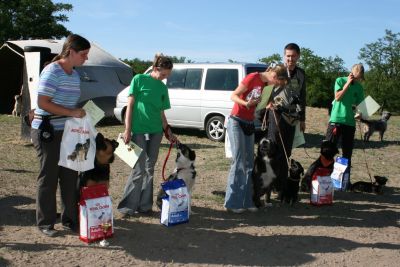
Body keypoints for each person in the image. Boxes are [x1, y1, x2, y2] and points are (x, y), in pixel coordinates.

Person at [31, 34, 90, 237]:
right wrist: (72, 112)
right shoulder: (52, 71)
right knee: (49, 176)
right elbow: (43, 103)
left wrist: (80, 112)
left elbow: (68, 104)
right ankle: (45, 223)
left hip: (68, 132)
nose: (86, 58)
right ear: (71, 51)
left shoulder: (74, 74)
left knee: (69, 176)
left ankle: (70, 219)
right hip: (47, 131)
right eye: (83, 54)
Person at [117, 53, 177, 217]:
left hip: (156, 131)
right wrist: (127, 130)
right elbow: (130, 105)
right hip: (138, 130)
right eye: (163, 74)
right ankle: (127, 207)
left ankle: (145, 206)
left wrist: (168, 131)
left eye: (167, 75)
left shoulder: (163, 87)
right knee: (139, 169)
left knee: (150, 169)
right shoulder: (138, 79)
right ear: (156, 69)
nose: (165, 78)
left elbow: (161, 113)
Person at [224, 64, 289, 213]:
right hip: (236, 121)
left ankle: (247, 201)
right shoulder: (253, 77)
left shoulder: (266, 86)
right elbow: (233, 95)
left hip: (249, 123)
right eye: (277, 82)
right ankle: (232, 203)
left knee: (249, 163)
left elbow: (259, 104)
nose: (276, 85)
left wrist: (268, 105)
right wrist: (246, 103)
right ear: (274, 76)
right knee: (238, 162)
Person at [266, 43, 306, 202]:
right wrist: (268, 102)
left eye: (293, 56)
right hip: (276, 116)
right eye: (287, 56)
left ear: (298, 56)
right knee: (273, 151)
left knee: (286, 153)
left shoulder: (301, 74)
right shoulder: (276, 71)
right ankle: (270, 186)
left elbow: (303, 96)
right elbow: (267, 88)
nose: (290, 59)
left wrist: (303, 118)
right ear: (284, 56)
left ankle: (281, 186)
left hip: (292, 118)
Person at [325, 63, 365, 189]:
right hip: (336, 120)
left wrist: (360, 114)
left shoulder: (359, 87)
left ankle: (344, 181)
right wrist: (348, 83)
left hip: (350, 123)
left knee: (347, 153)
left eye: (359, 78)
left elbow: (362, 106)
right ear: (351, 73)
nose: (357, 80)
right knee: (328, 150)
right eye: (355, 77)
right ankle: (324, 178)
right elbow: (337, 97)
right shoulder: (340, 80)